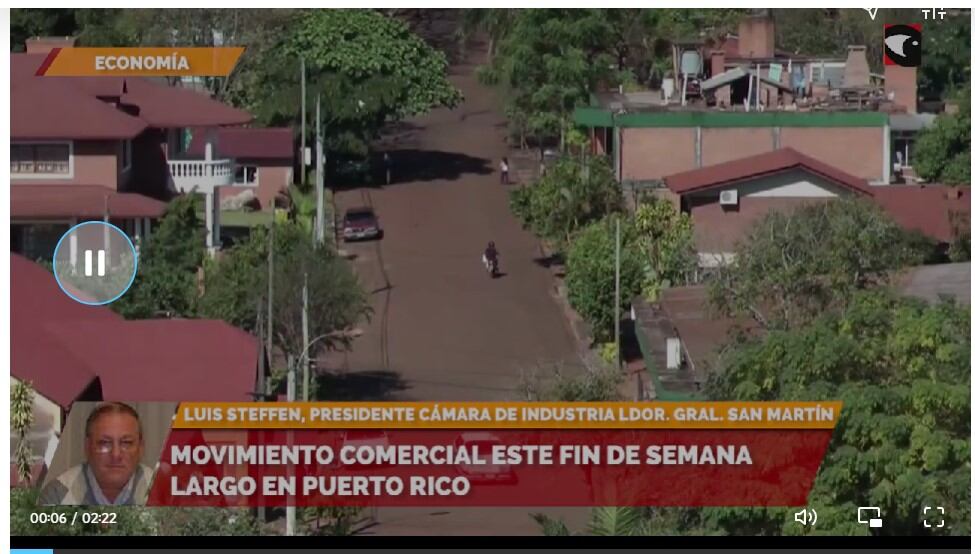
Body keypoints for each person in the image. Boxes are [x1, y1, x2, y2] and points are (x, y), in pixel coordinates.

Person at [39, 402, 155, 506]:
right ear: (88, 447)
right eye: (104, 443)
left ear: (141, 448)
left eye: (126, 443)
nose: (115, 454)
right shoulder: (57, 496)